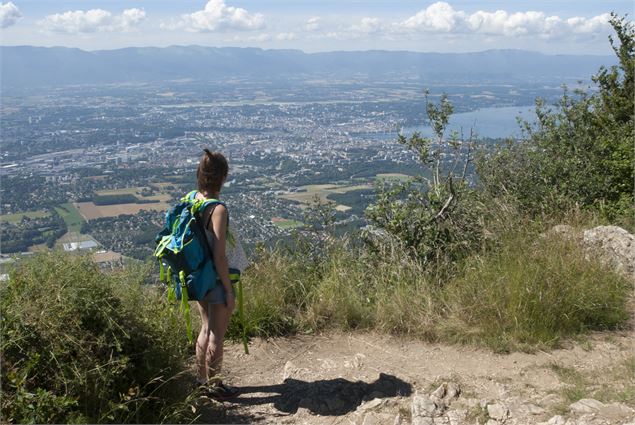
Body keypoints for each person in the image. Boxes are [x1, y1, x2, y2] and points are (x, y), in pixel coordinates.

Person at [193, 148, 239, 399]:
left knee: (205, 328)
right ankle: (216, 385)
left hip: (198, 277)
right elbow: (220, 256)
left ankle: (200, 380)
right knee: (216, 336)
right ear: (223, 177)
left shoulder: (193, 199)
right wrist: (228, 290)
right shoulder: (217, 209)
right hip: (215, 279)